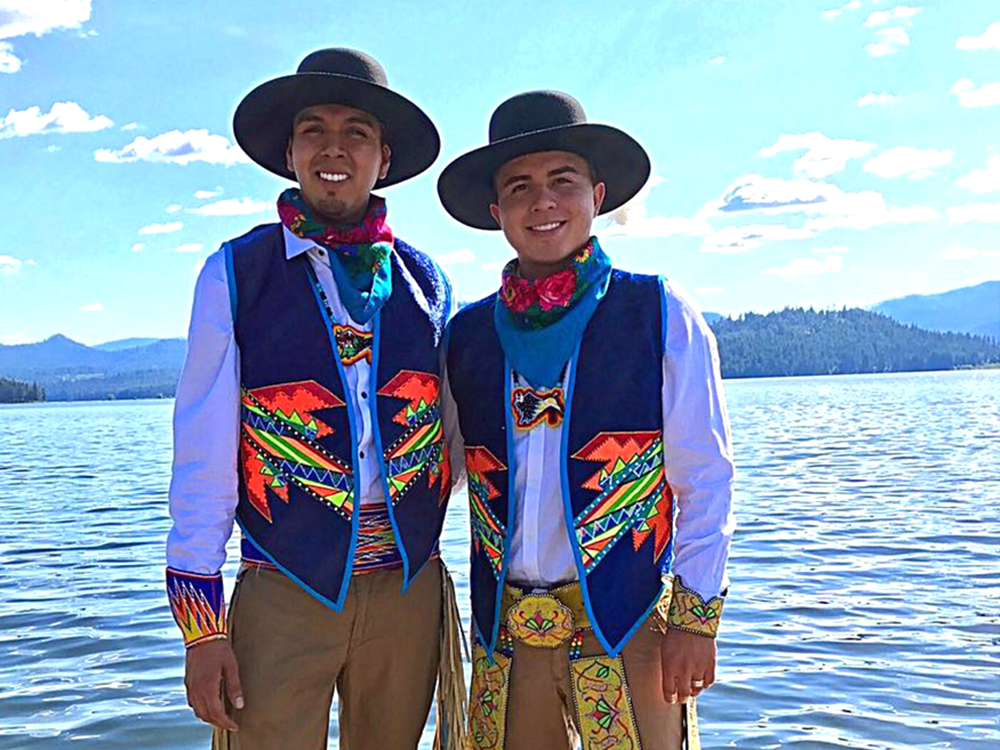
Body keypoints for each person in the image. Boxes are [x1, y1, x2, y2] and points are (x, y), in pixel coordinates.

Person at [165, 48, 463, 750]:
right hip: (282, 588)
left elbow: (454, 442)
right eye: (315, 131)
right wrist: (202, 631)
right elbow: (204, 456)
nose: (336, 149)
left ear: (383, 157)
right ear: (290, 153)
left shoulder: (428, 286)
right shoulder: (236, 276)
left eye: (357, 131)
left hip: (408, 590)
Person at [437, 90, 736, 750]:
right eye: (519, 186)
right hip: (504, 635)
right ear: (496, 212)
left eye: (561, 181)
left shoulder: (658, 313)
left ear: (597, 195)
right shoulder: (464, 337)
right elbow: (445, 472)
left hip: (627, 624)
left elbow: (705, 478)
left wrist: (696, 619)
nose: (543, 202)